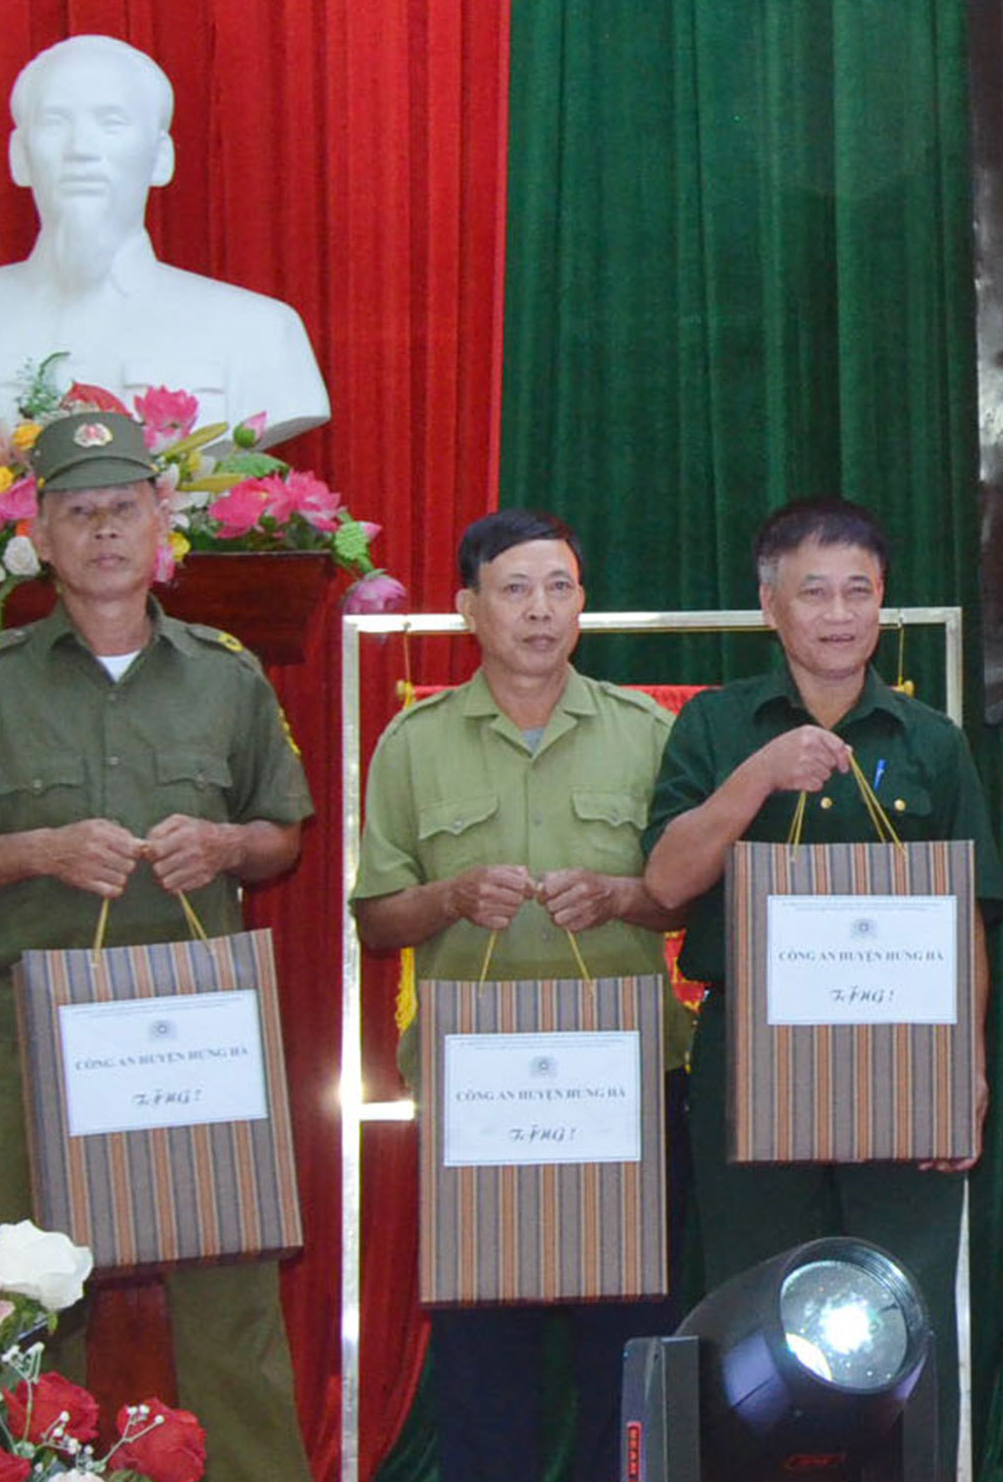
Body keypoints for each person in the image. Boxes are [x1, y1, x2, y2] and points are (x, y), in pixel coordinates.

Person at [0, 410, 314, 1480]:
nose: (105, 531)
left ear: (162, 521)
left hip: (197, 1040)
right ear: (40, 534)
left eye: (124, 507)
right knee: (25, 1318)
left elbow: (283, 835)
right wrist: (38, 848)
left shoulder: (226, 673)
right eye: (79, 512)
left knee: (231, 1307)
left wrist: (226, 843)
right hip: (41, 1047)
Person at [642, 497, 1002, 1481]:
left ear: (883, 601)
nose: (839, 614)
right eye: (814, 593)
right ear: (771, 605)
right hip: (752, 1070)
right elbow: (667, 882)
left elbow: (969, 915)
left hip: (907, 1065)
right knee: (754, 1315)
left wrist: (967, 1070)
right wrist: (759, 775)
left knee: (902, 1307)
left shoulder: (930, 741)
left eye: (859, 591)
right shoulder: (717, 725)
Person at [349, 508, 686, 1482]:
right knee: (483, 1354)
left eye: (559, 587)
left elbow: (688, 897)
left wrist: (620, 895)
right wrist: (450, 897)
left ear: (582, 603)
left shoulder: (646, 731)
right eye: (515, 589)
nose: (540, 609)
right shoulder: (414, 742)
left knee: (626, 1342)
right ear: (470, 608)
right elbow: (376, 919)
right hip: (480, 1094)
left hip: (624, 1087)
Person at [0, 35, 328, 446]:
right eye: (55, 123)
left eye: (111, 123)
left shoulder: (259, 333)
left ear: (161, 158)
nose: (82, 149)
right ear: (19, 156)